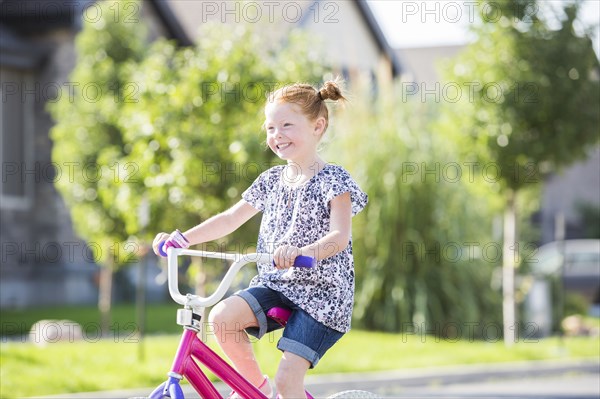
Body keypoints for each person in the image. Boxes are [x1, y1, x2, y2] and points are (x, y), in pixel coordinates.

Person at [153, 80, 368, 399]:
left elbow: (338, 236)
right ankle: (254, 389)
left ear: (317, 126)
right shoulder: (270, 181)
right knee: (221, 318)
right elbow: (229, 219)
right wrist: (183, 239)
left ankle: (277, 389)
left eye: (286, 125)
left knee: (288, 379)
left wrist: (302, 252)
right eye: (270, 127)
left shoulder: (334, 180)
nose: (276, 134)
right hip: (277, 284)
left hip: (323, 295)